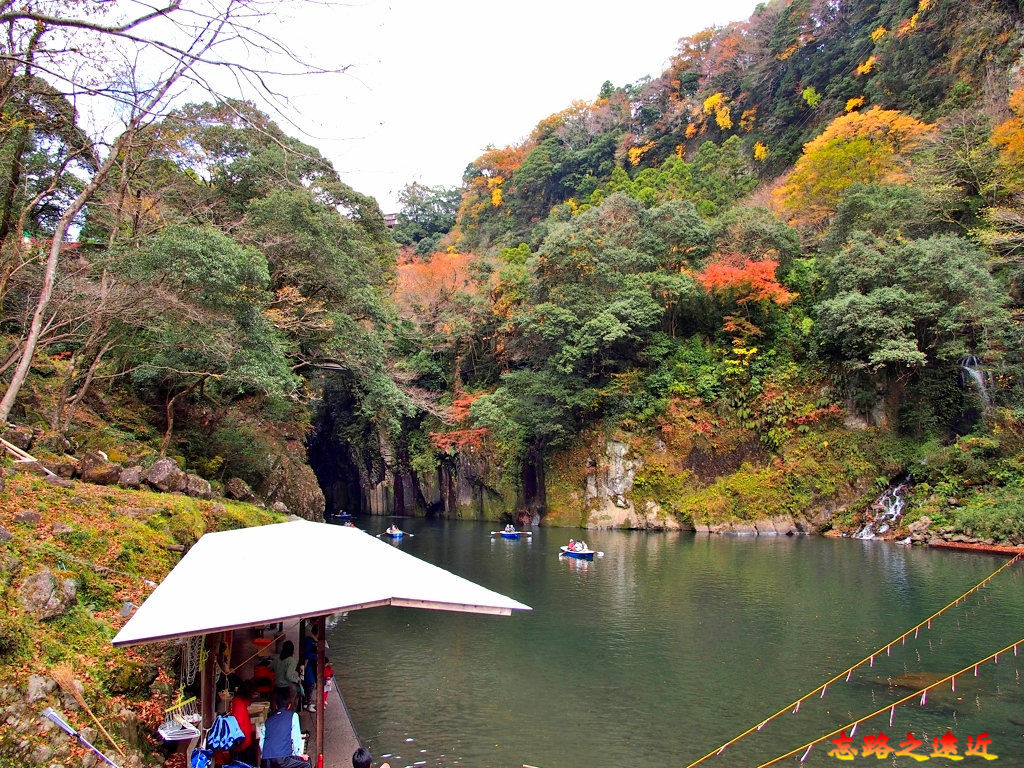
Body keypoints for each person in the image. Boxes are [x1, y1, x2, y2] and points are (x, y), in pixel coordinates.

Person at [259, 689, 308, 768]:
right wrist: (299, 754)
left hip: (265, 760)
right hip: (282, 759)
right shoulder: (293, 716)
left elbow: (261, 743)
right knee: (306, 764)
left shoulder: (268, 721)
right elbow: (296, 737)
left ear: (276, 706)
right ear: (289, 705)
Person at [230, 680, 258, 765]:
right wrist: (252, 728)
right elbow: (240, 727)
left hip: (243, 743)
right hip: (242, 745)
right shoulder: (239, 706)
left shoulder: (237, 702)